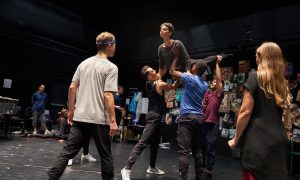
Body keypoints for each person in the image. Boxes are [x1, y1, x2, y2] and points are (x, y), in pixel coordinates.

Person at [47, 32, 119, 180]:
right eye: (114, 44)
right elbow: (108, 95)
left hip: (80, 117)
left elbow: (72, 88)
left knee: (66, 152)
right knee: (106, 154)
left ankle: (51, 178)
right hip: (99, 119)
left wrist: (72, 111)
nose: (115, 48)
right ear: (110, 45)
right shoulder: (111, 68)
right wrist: (113, 121)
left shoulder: (83, 63)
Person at [228, 42, 291, 180]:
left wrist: (235, 139)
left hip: (258, 142)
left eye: (258, 55)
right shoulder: (282, 83)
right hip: (279, 142)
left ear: (265, 58)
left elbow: (245, 111)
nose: (256, 58)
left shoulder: (255, 77)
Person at [121, 65, 178, 180]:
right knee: (143, 142)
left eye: (154, 69)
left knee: (155, 143)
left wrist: (166, 62)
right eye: (152, 71)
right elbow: (172, 87)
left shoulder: (149, 83)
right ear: (148, 76)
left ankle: (152, 167)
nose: (155, 71)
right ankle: (127, 168)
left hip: (155, 117)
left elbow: (162, 70)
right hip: (153, 118)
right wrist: (179, 78)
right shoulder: (158, 84)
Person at [169, 46, 208, 180]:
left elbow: (172, 71)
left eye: (194, 65)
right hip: (199, 118)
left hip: (187, 119)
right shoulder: (204, 84)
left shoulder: (190, 79)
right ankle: (199, 177)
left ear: (195, 68)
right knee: (197, 152)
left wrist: (175, 57)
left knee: (184, 152)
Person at [201, 55, 224, 179]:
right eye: (212, 81)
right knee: (202, 146)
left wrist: (217, 63)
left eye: (215, 82)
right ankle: (203, 165)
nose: (213, 82)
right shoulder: (207, 93)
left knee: (210, 147)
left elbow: (219, 79)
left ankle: (209, 169)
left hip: (212, 124)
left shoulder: (218, 94)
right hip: (203, 123)